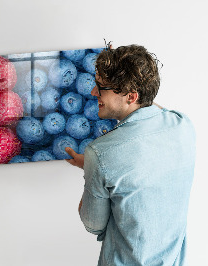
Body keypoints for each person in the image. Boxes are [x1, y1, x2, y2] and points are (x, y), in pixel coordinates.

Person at [65, 45, 196, 265]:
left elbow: (93, 225)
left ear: (131, 95)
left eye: (101, 87)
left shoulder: (100, 154)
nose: (93, 92)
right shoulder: (183, 125)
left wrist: (92, 169)